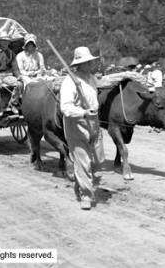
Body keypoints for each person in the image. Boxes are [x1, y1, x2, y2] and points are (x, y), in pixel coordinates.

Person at [60, 47, 104, 210]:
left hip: (94, 122)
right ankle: (86, 195)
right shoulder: (69, 81)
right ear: (79, 64)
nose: (90, 63)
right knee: (83, 161)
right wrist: (84, 112)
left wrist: (93, 113)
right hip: (76, 124)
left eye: (90, 61)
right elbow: (65, 107)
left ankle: (80, 181)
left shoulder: (92, 78)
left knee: (99, 160)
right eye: (86, 62)